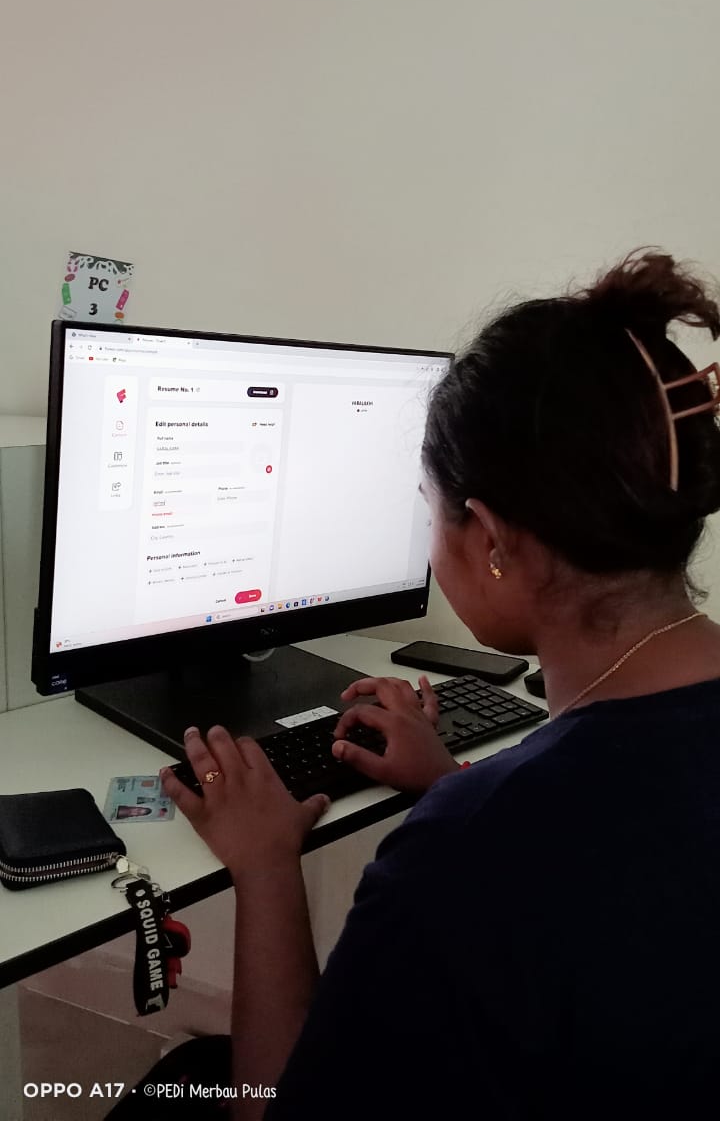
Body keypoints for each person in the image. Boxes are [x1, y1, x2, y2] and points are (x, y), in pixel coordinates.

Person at [114, 249, 720, 1119]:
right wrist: (451, 782)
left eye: (430, 506)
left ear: (489, 538)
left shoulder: (472, 845)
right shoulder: (494, 822)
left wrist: (266, 863)